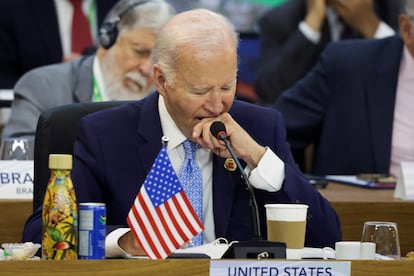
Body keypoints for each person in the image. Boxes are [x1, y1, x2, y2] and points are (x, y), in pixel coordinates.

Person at [22, 8, 341, 258]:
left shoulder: (260, 127)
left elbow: (328, 235)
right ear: (161, 80)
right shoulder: (105, 135)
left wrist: (257, 158)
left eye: (227, 86)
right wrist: (124, 241)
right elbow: (41, 232)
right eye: (201, 90)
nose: (217, 105)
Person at [275, 0, 414, 177]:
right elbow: (277, 132)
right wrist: (297, 190)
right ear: (407, 28)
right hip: (364, 202)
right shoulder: (346, 66)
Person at [2, 0, 176, 140]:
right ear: (107, 38)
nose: (146, 68)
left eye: (156, 59)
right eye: (139, 51)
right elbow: (20, 161)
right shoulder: (42, 87)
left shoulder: (168, 98)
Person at [254, 0, 404, 105]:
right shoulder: (280, 19)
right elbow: (269, 91)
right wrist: (311, 25)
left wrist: (372, 27)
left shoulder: (400, 11)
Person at [0, 0, 119, 89]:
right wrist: (56, 80)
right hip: (41, 113)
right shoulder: (11, 7)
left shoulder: (124, 5)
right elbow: (4, 81)